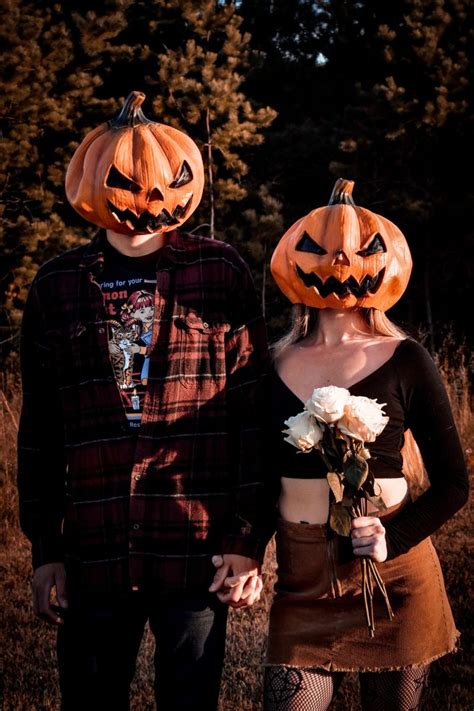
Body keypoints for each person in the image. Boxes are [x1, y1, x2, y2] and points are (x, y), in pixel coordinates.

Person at [17, 91, 270, 711]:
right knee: (90, 697)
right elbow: (40, 431)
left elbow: (253, 416)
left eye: (168, 183)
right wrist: (46, 551)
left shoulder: (223, 272)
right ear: (91, 182)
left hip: (196, 543)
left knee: (189, 700)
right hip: (95, 548)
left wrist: (246, 539)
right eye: (130, 183)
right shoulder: (55, 285)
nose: (151, 200)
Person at [262, 178, 469, 710]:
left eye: (362, 251)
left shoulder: (407, 359)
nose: (338, 261)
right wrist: (242, 550)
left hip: (396, 579)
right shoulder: (274, 365)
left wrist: (392, 539)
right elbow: (256, 475)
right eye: (316, 249)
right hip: (303, 582)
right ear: (293, 260)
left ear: (384, 262)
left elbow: (453, 484)